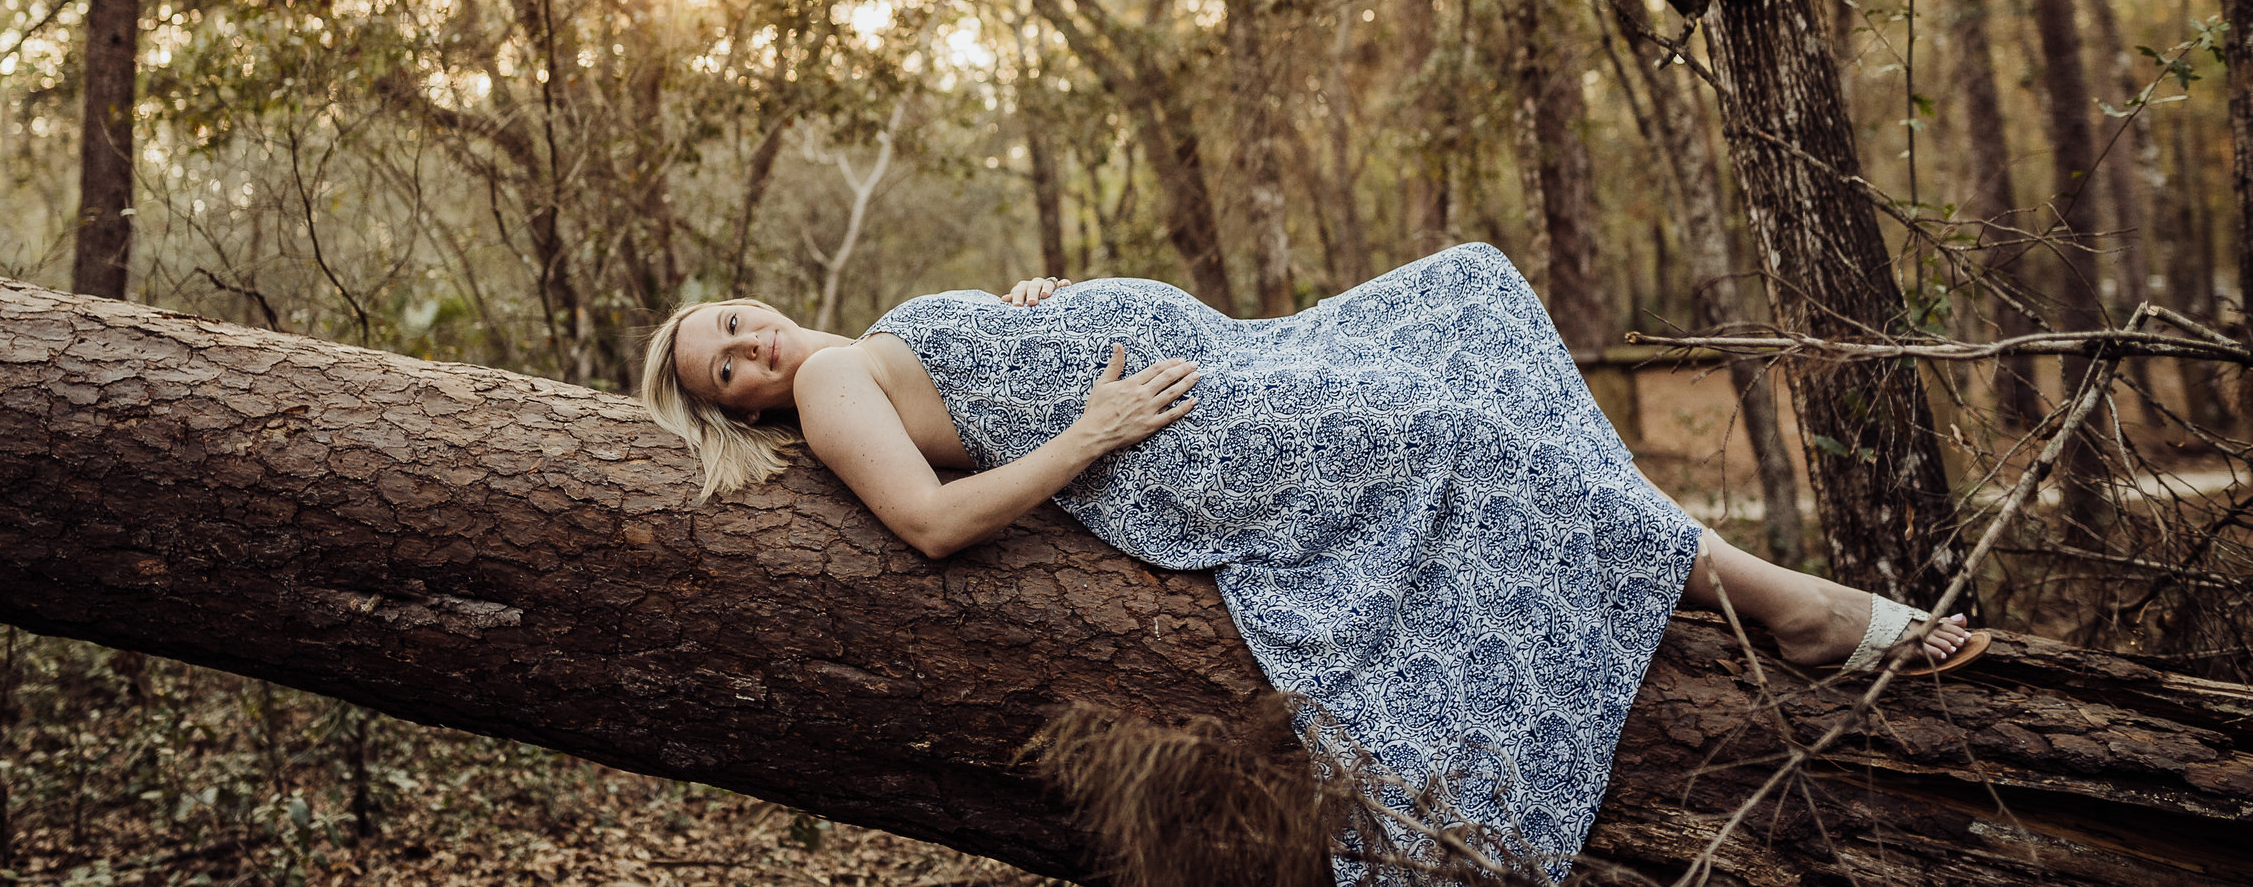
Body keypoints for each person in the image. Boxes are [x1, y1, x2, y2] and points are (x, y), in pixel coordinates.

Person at [638, 243, 1984, 878]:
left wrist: (1027, 310)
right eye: (728, 367)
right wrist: (1093, 426)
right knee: (1465, 427)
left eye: (739, 321)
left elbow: (977, 373)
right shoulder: (825, 396)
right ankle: (1785, 605)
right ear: (740, 408)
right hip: (1181, 439)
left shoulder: (865, 335)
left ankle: (1672, 560)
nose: (754, 346)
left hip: (1223, 359)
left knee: (1467, 291)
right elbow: (936, 522)